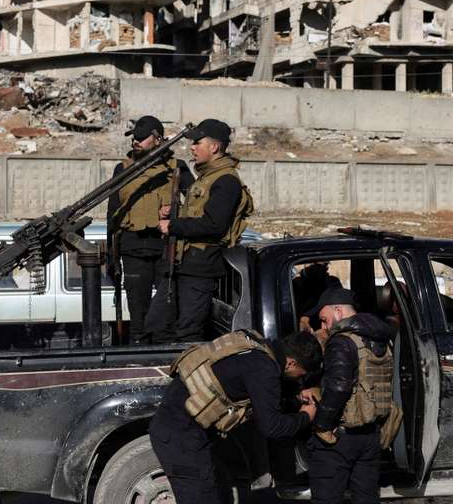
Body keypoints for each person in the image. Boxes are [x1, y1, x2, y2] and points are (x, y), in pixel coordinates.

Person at [150, 331, 321, 504]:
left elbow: (261, 393)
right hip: (181, 436)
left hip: (181, 428)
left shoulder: (255, 346)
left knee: (215, 491)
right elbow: (272, 426)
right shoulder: (264, 368)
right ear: (291, 363)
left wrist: (296, 398)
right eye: (301, 374)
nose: (300, 379)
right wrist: (306, 417)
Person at [153, 118, 254, 342]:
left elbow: (213, 225)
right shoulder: (208, 177)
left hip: (201, 266)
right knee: (159, 325)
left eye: (198, 143)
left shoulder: (226, 181)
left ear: (215, 147)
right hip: (186, 263)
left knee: (188, 331)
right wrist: (174, 215)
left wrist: (173, 225)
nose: (192, 147)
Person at [106, 116, 193, 344]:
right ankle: (140, 355)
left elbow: (196, 206)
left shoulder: (176, 168)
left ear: (158, 139)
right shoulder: (123, 169)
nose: (137, 141)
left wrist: (175, 211)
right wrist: (110, 259)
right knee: (138, 313)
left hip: (166, 247)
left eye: (143, 138)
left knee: (167, 310)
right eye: (135, 137)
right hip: (133, 248)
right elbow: (112, 214)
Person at [307, 287, 398, 504]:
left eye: (324, 319)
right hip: (372, 435)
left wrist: (322, 425)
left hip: (341, 436)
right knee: (366, 498)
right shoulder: (382, 338)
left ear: (338, 312)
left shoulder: (341, 341)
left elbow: (338, 387)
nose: (323, 326)